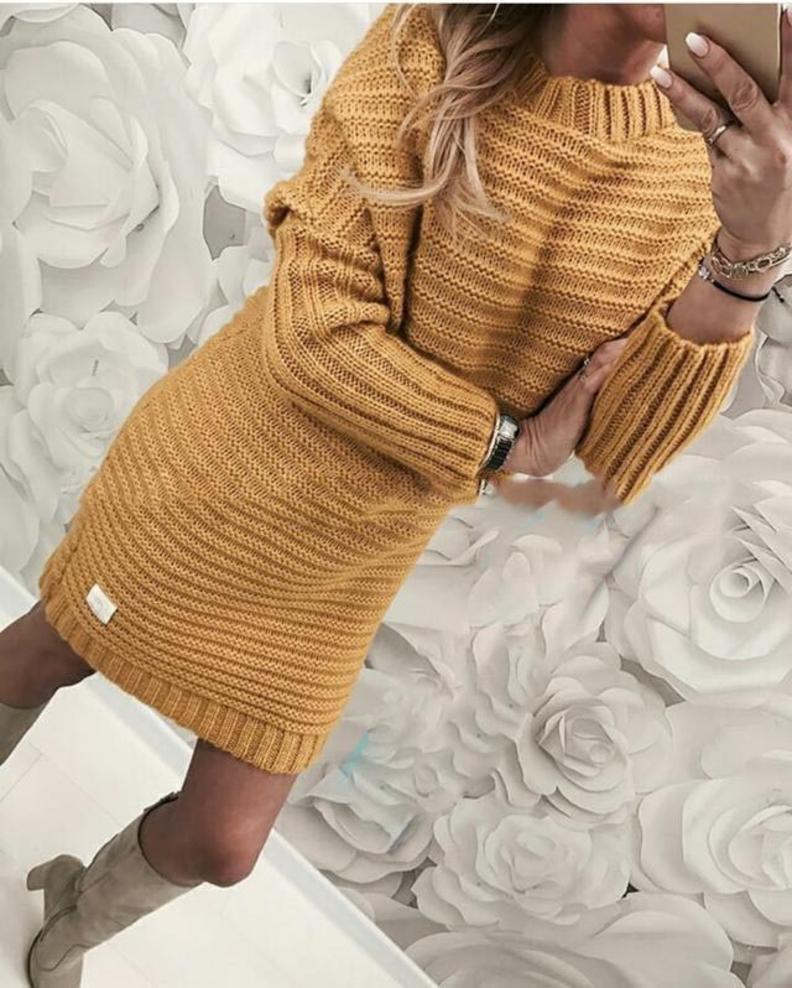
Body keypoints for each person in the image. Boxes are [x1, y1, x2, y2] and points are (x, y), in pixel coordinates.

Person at [2, 3, 790, 984]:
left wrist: (747, 256)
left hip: (350, 559)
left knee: (223, 841)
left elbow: (620, 452)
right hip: (220, 472)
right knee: (47, 653)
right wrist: (501, 443)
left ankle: (70, 914)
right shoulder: (436, 41)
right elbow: (317, 332)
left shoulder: (698, 172)